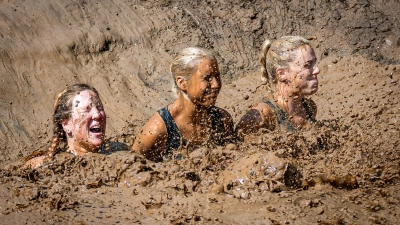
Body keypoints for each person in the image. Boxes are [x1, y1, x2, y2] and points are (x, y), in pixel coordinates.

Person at [132, 47, 235, 162]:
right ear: (182, 83)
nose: (216, 85)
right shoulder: (158, 129)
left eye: (217, 76)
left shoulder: (222, 120)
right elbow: (132, 167)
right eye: (207, 78)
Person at [22, 84, 128, 169]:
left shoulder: (119, 153)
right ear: (66, 124)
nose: (97, 114)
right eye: (86, 109)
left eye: (100, 108)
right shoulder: (43, 165)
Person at [236, 36, 320, 138]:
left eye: (314, 63)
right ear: (282, 74)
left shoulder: (309, 107)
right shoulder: (261, 115)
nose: (317, 70)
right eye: (307, 65)